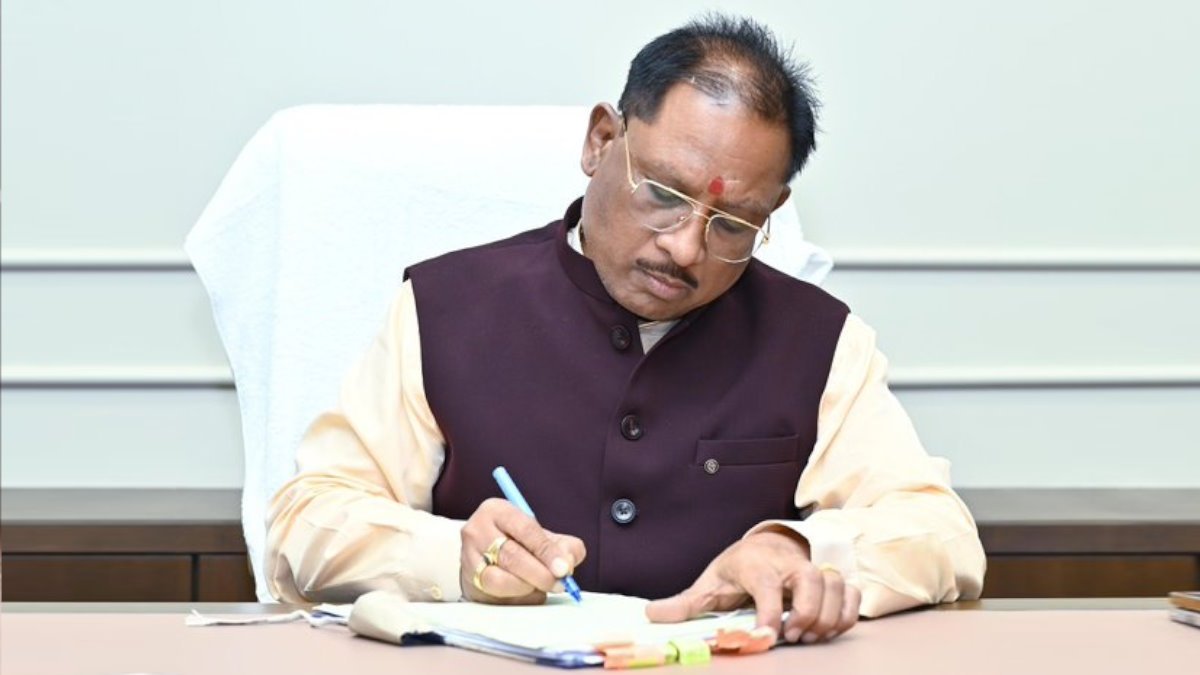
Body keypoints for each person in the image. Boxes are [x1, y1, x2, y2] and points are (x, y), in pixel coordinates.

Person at [266, 14, 985, 645]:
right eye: (664, 195)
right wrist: (449, 555)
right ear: (602, 140)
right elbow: (307, 520)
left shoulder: (819, 340)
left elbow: (941, 532)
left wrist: (799, 549)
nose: (686, 249)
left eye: (734, 225)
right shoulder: (445, 308)